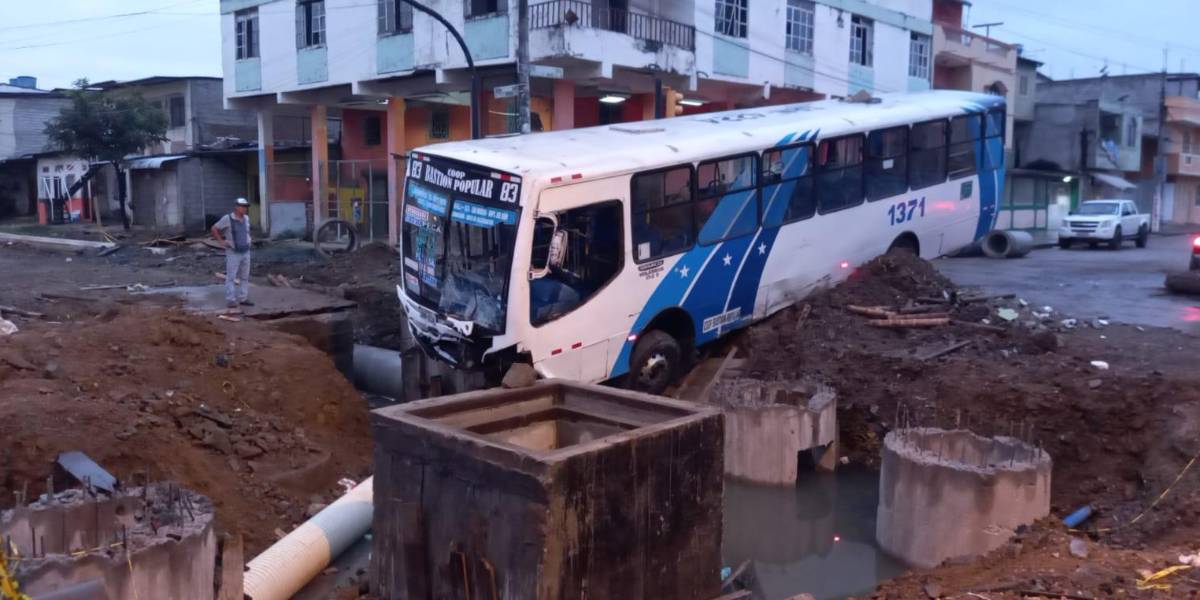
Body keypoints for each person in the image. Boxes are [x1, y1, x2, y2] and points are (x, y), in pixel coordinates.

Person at [211, 198, 254, 309]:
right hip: (233, 252)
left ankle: (243, 298)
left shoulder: (246, 218)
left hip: (245, 251)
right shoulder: (228, 219)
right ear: (236, 207)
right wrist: (221, 241)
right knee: (231, 277)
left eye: (246, 206)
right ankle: (231, 299)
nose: (245, 209)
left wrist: (249, 240)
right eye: (243, 206)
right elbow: (214, 228)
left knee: (245, 276)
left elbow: (247, 231)